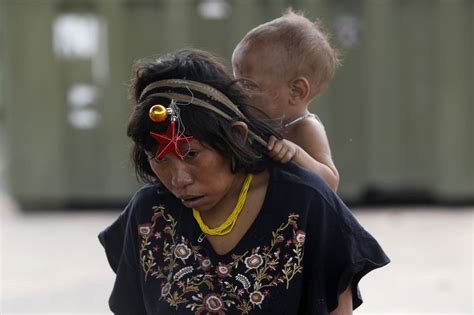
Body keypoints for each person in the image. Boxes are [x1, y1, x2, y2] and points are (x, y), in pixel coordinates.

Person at [99, 48, 389, 314]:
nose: (179, 178)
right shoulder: (150, 213)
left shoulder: (305, 204)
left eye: (192, 154)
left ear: (235, 136)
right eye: (159, 158)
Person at [232, 9, 340, 191]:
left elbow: (331, 183)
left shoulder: (304, 128)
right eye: (234, 80)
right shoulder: (254, 120)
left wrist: (297, 154)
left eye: (248, 85)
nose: (236, 91)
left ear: (296, 91)